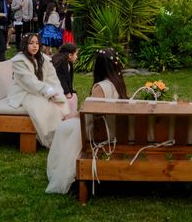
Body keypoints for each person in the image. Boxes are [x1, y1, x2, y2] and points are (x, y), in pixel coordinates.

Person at [46, 48, 128, 194]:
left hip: (102, 130)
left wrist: (73, 115)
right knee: (68, 125)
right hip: (116, 126)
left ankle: (62, 169)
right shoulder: (118, 83)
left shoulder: (101, 87)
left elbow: (89, 114)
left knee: (64, 127)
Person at [7, 33, 69, 147]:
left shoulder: (43, 59)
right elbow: (29, 82)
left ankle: (61, 134)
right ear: (25, 45)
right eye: (31, 43)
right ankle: (50, 137)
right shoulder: (19, 61)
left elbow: (52, 78)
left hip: (41, 90)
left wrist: (56, 92)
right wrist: (47, 91)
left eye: (37, 43)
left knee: (61, 102)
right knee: (42, 105)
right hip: (24, 92)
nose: (35, 46)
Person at [51, 43, 79, 112]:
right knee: (70, 100)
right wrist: (66, 92)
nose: (77, 56)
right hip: (55, 88)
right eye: (76, 54)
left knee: (73, 96)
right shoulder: (60, 64)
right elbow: (61, 78)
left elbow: (68, 78)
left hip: (61, 88)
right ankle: (68, 114)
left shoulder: (69, 63)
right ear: (70, 55)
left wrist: (70, 90)